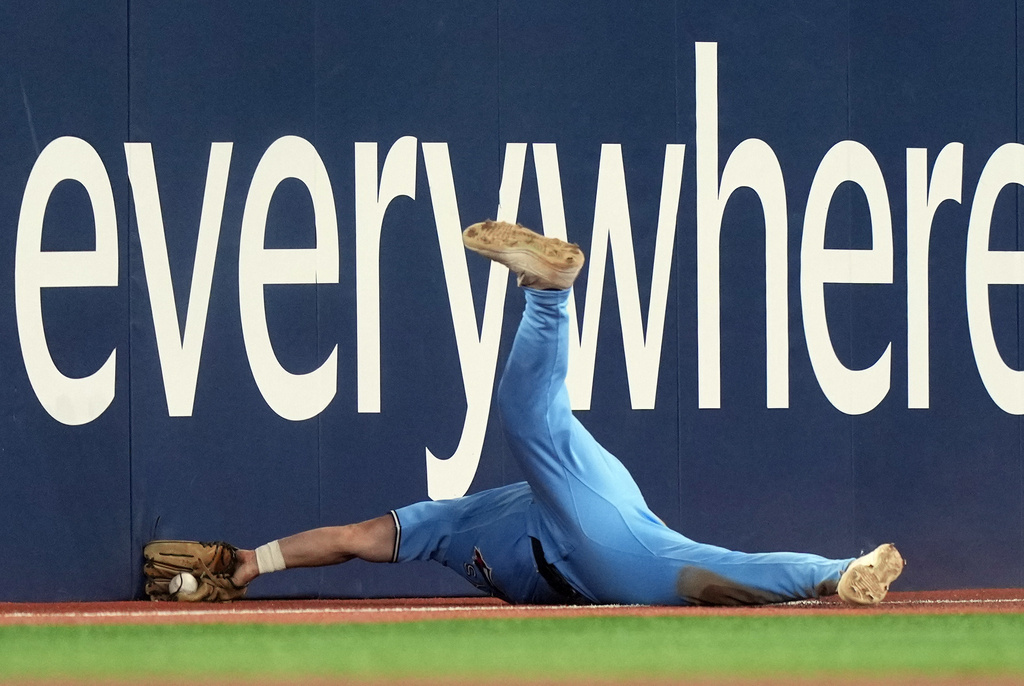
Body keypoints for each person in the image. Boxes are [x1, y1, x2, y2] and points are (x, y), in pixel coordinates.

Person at [227, 220, 905, 607]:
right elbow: (349, 538)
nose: (394, 530)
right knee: (705, 575)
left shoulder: (457, 521)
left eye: (397, 528)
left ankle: (548, 294)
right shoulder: (440, 529)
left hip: (585, 524)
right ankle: (846, 571)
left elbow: (356, 535)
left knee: (531, 423)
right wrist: (254, 562)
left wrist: (259, 561)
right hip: (598, 558)